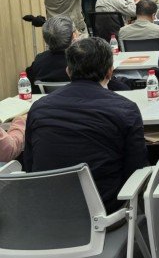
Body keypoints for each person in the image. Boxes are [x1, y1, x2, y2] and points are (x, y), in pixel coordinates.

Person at [23, 37, 148, 213]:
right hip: (104, 212)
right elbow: (136, 169)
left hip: (46, 211)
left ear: (68, 71)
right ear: (110, 72)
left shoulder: (39, 108)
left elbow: (29, 164)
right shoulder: (125, 109)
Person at [26, 15, 129, 92]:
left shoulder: (38, 62)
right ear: (74, 36)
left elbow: (31, 88)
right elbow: (112, 84)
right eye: (76, 31)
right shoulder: (84, 60)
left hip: (52, 109)